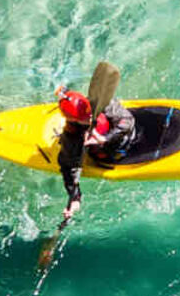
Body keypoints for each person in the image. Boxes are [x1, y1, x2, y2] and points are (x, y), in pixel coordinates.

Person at [54, 87, 136, 221]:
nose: (90, 116)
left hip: (124, 135)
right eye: (84, 118)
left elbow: (128, 120)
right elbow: (68, 167)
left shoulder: (100, 103)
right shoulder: (73, 137)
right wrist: (75, 198)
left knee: (116, 119)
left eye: (89, 112)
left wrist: (106, 138)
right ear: (74, 121)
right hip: (112, 153)